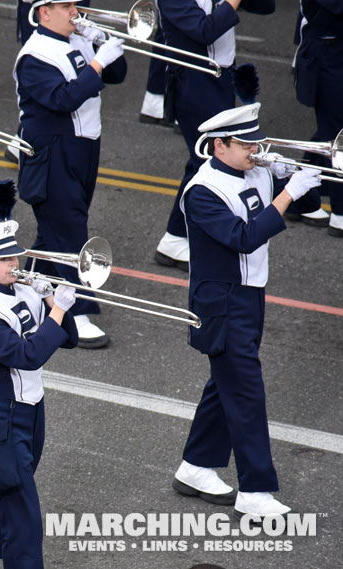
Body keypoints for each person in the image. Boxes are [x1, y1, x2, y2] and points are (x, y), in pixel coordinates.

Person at [172, 103, 320, 519]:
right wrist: (288, 192)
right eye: (246, 143)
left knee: (227, 384)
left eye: (257, 140)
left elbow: (303, 209)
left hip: (250, 293)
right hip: (222, 301)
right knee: (246, 391)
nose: (255, 150)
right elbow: (243, 237)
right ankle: (255, 492)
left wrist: (293, 179)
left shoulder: (253, 171)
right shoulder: (201, 192)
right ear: (219, 146)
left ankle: (195, 466)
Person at [0, 220, 78, 569]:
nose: (13, 265)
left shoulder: (21, 290)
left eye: (14, 257)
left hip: (30, 409)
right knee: (24, 519)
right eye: (3, 259)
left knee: (3, 491)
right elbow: (27, 355)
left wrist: (51, 297)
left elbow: (69, 338)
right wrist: (59, 309)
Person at [13, 0, 126, 349]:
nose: (75, 12)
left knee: (55, 230)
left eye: (75, 5)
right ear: (44, 11)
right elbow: (63, 99)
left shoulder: (75, 38)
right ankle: (75, 312)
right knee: (69, 227)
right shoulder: (34, 56)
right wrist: (97, 60)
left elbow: (116, 75)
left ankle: (26, 289)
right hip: (52, 150)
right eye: (66, 6)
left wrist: (101, 42)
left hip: (83, 146)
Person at [153, 0, 276, 270]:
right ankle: (175, 237)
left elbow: (266, 6)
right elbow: (205, 30)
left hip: (220, 78)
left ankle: (178, 236)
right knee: (207, 160)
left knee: (207, 160)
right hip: (194, 81)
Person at [293, 0, 343, 238]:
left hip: (335, 52)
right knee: (336, 136)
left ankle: (297, 194)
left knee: (329, 131)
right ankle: (341, 213)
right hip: (329, 55)